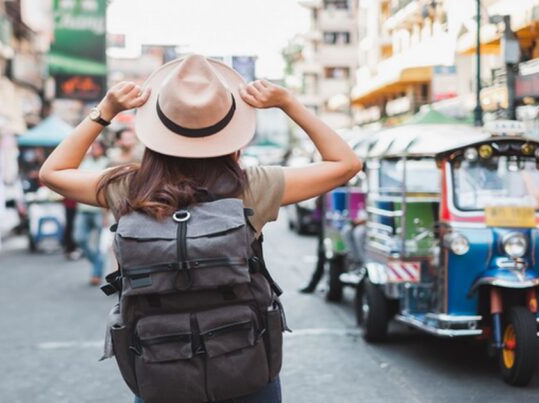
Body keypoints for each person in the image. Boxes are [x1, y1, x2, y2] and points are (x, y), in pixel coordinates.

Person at [39, 55, 361, 402]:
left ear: (157, 130)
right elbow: (346, 164)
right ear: (230, 131)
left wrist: (104, 111)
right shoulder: (252, 186)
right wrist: (288, 103)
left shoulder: (131, 188)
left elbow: (52, 173)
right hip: (246, 364)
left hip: (159, 366)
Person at [73, 141, 109, 286]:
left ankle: (96, 273)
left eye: (97, 147)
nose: (94, 150)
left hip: (99, 210)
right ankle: (97, 263)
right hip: (83, 209)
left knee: (100, 244)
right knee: (80, 238)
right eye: (92, 147)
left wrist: (106, 212)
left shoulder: (107, 163)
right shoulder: (85, 163)